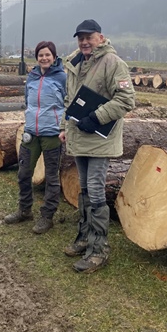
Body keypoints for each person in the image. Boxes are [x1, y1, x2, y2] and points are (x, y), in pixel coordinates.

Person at [59, 19, 135, 273]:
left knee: (95, 189)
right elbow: (70, 100)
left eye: (89, 37)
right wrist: (64, 127)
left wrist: (97, 117)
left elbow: (126, 100)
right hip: (79, 136)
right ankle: (84, 238)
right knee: (83, 189)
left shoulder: (114, 63)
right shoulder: (74, 63)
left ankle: (99, 249)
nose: (84, 42)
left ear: (100, 38)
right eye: (80, 38)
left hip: (100, 138)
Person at [4, 41, 67, 234]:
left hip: (52, 134)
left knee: (51, 177)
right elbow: (27, 102)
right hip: (31, 132)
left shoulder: (62, 77)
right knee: (24, 173)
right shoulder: (31, 76)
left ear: (54, 57)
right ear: (37, 57)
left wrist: (63, 126)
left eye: (48, 55)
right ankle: (24, 210)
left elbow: (68, 102)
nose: (44, 58)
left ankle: (47, 217)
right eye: (41, 55)